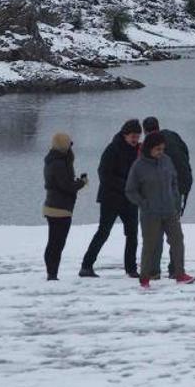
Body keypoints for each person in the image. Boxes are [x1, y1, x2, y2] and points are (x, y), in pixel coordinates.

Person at [125, 132, 195, 288]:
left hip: (170, 211)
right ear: (149, 149)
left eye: (162, 149)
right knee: (150, 246)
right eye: (157, 149)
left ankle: (180, 274)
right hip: (150, 214)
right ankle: (145, 278)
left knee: (177, 241)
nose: (160, 152)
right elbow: (130, 190)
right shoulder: (139, 166)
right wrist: (144, 204)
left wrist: (175, 198)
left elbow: (174, 181)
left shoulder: (166, 161)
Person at [80, 119, 143, 278]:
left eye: (137, 136)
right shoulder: (113, 149)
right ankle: (86, 266)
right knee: (103, 232)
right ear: (125, 135)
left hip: (130, 199)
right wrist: (126, 185)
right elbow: (104, 174)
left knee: (132, 234)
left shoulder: (138, 151)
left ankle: (131, 269)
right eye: (133, 136)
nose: (135, 140)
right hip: (111, 198)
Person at [142, 116, 192, 279]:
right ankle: (175, 269)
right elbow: (185, 158)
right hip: (178, 190)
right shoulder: (173, 136)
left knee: (155, 233)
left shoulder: (149, 146)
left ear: (145, 131)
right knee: (174, 234)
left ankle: (153, 270)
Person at [42, 133, 88, 281]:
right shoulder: (60, 163)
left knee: (53, 242)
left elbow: (61, 183)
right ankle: (52, 274)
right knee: (57, 243)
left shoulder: (53, 160)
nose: (70, 147)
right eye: (69, 144)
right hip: (60, 209)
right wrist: (81, 183)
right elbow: (66, 186)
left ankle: (52, 272)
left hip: (52, 206)